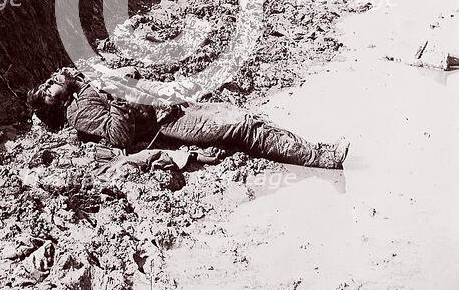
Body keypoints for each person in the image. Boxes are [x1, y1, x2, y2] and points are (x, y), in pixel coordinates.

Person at [27, 68, 349, 169]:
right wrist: (120, 95)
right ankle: (321, 158)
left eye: (48, 82)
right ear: (58, 104)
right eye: (48, 90)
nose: (52, 82)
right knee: (243, 126)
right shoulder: (79, 111)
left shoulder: (83, 82)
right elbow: (119, 136)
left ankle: (316, 151)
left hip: (170, 105)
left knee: (249, 119)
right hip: (166, 125)